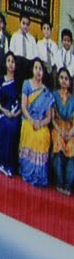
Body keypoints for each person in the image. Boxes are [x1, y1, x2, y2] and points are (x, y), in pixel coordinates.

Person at [20, 59, 55, 187]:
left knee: (42, 136)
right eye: (36, 68)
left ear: (43, 73)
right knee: (30, 132)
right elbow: (23, 107)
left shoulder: (47, 93)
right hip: (28, 119)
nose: (38, 71)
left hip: (41, 123)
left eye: (40, 69)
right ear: (32, 70)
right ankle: (27, 171)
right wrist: (31, 120)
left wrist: (40, 123)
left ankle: (38, 175)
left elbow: (48, 118)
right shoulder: (26, 84)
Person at [0, 53, 24, 176]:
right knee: (4, 124)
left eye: (13, 61)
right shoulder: (0, 80)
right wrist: (5, 111)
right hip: (2, 111)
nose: (11, 64)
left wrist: (15, 114)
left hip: (15, 114)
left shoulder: (19, 82)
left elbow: (22, 103)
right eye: (8, 61)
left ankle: (7, 164)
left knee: (13, 127)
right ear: (5, 63)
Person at [50, 66, 74, 196]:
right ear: (58, 80)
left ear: (70, 81)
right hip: (57, 127)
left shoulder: (73, 99)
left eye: (66, 78)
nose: (64, 81)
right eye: (61, 78)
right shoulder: (53, 95)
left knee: (72, 147)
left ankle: (67, 185)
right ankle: (59, 182)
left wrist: (70, 133)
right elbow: (52, 119)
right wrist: (60, 131)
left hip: (71, 130)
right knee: (58, 144)